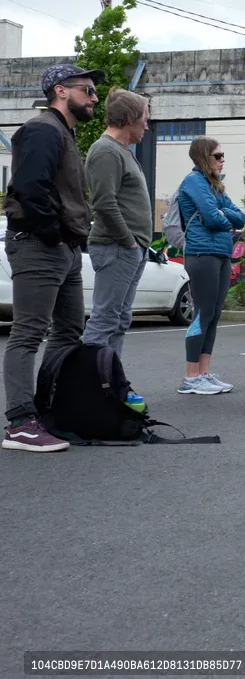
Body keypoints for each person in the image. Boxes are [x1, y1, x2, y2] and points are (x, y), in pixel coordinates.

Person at [2, 64, 103, 453]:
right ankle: (20, 423)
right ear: (61, 91)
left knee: (67, 330)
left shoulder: (64, 133)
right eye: (88, 91)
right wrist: (53, 234)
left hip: (65, 247)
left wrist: (68, 241)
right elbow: (30, 187)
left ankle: (45, 410)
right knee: (28, 332)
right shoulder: (42, 129)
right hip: (41, 244)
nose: (94, 98)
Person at [82, 89, 152, 361]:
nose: (147, 124)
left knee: (120, 320)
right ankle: (90, 386)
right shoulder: (105, 151)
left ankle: (110, 382)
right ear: (128, 119)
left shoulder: (122, 151)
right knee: (104, 321)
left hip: (130, 249)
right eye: (144, 118)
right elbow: (104, 203)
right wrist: (129, 241)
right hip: (117, 247)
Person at [176, 136, 245, 396]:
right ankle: (191, 377)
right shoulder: (194, 182)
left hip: (221, 253)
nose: (222, 159)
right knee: (202, 313)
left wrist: (223, 215)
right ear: (204, 157)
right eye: (217, 156)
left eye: (223, 155)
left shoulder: (215, 186)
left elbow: (240, 216)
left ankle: (204, 373)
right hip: (202, 253)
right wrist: (223, 216)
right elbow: (210, 216)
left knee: (214, 315)